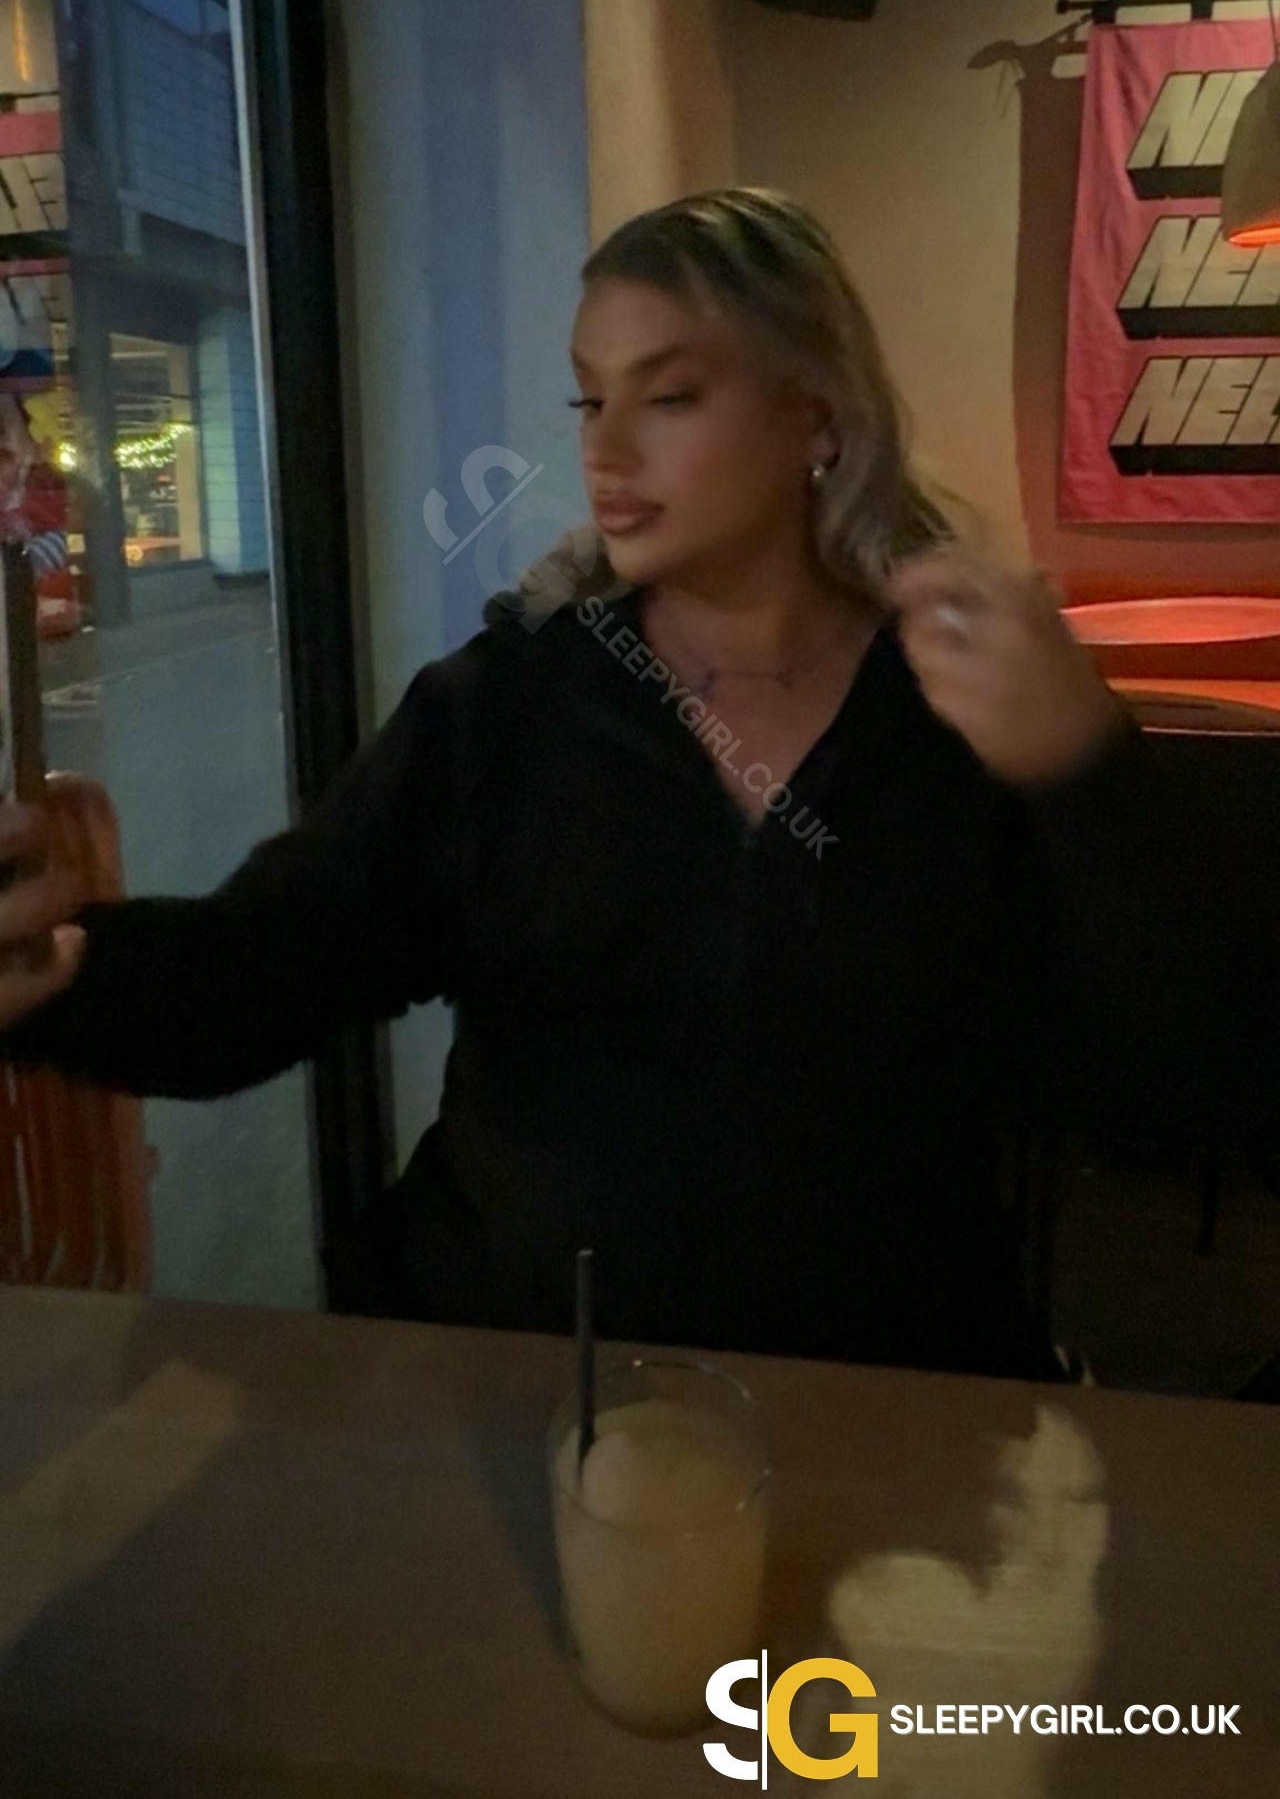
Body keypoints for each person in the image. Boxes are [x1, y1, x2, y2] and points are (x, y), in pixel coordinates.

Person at [1, 188, 1275, 1380]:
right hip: (520, 1386)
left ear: (816, 416)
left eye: (667, 396)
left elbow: (1178, 1089)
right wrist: (63, 968)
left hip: (887, 1413)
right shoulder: (502, 710)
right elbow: (264, 967)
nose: (604, 450)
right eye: (586, 399)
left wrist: (1086, 771)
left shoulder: (961, 718)